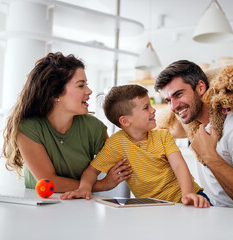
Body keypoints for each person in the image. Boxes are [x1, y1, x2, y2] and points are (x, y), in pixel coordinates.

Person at [61, 84, 211, 208]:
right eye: (146, 107)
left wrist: (187, 194)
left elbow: (179, 165)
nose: (153, 110)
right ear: (126, 121)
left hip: (190, 197)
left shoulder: (163, 136)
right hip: (153, 207)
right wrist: (84, 188)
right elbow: (91, 171)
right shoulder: (117, 144)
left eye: (151, 105)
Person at [2, 52, 130, 193]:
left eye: (86, 84)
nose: (89, 91)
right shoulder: (29, 128)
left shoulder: (93, 127)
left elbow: (122, 160)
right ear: (55, 93)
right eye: (81, 86)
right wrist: (101, 185)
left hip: (82, 206)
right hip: (40, 208)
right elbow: (49, 181)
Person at [154, 60, 233, 210]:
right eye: (168, 100)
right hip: (213, 212)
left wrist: (209, 155)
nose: (174, 106)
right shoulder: (197, 126)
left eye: (179, 94)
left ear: (201, 87)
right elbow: (165, 127)